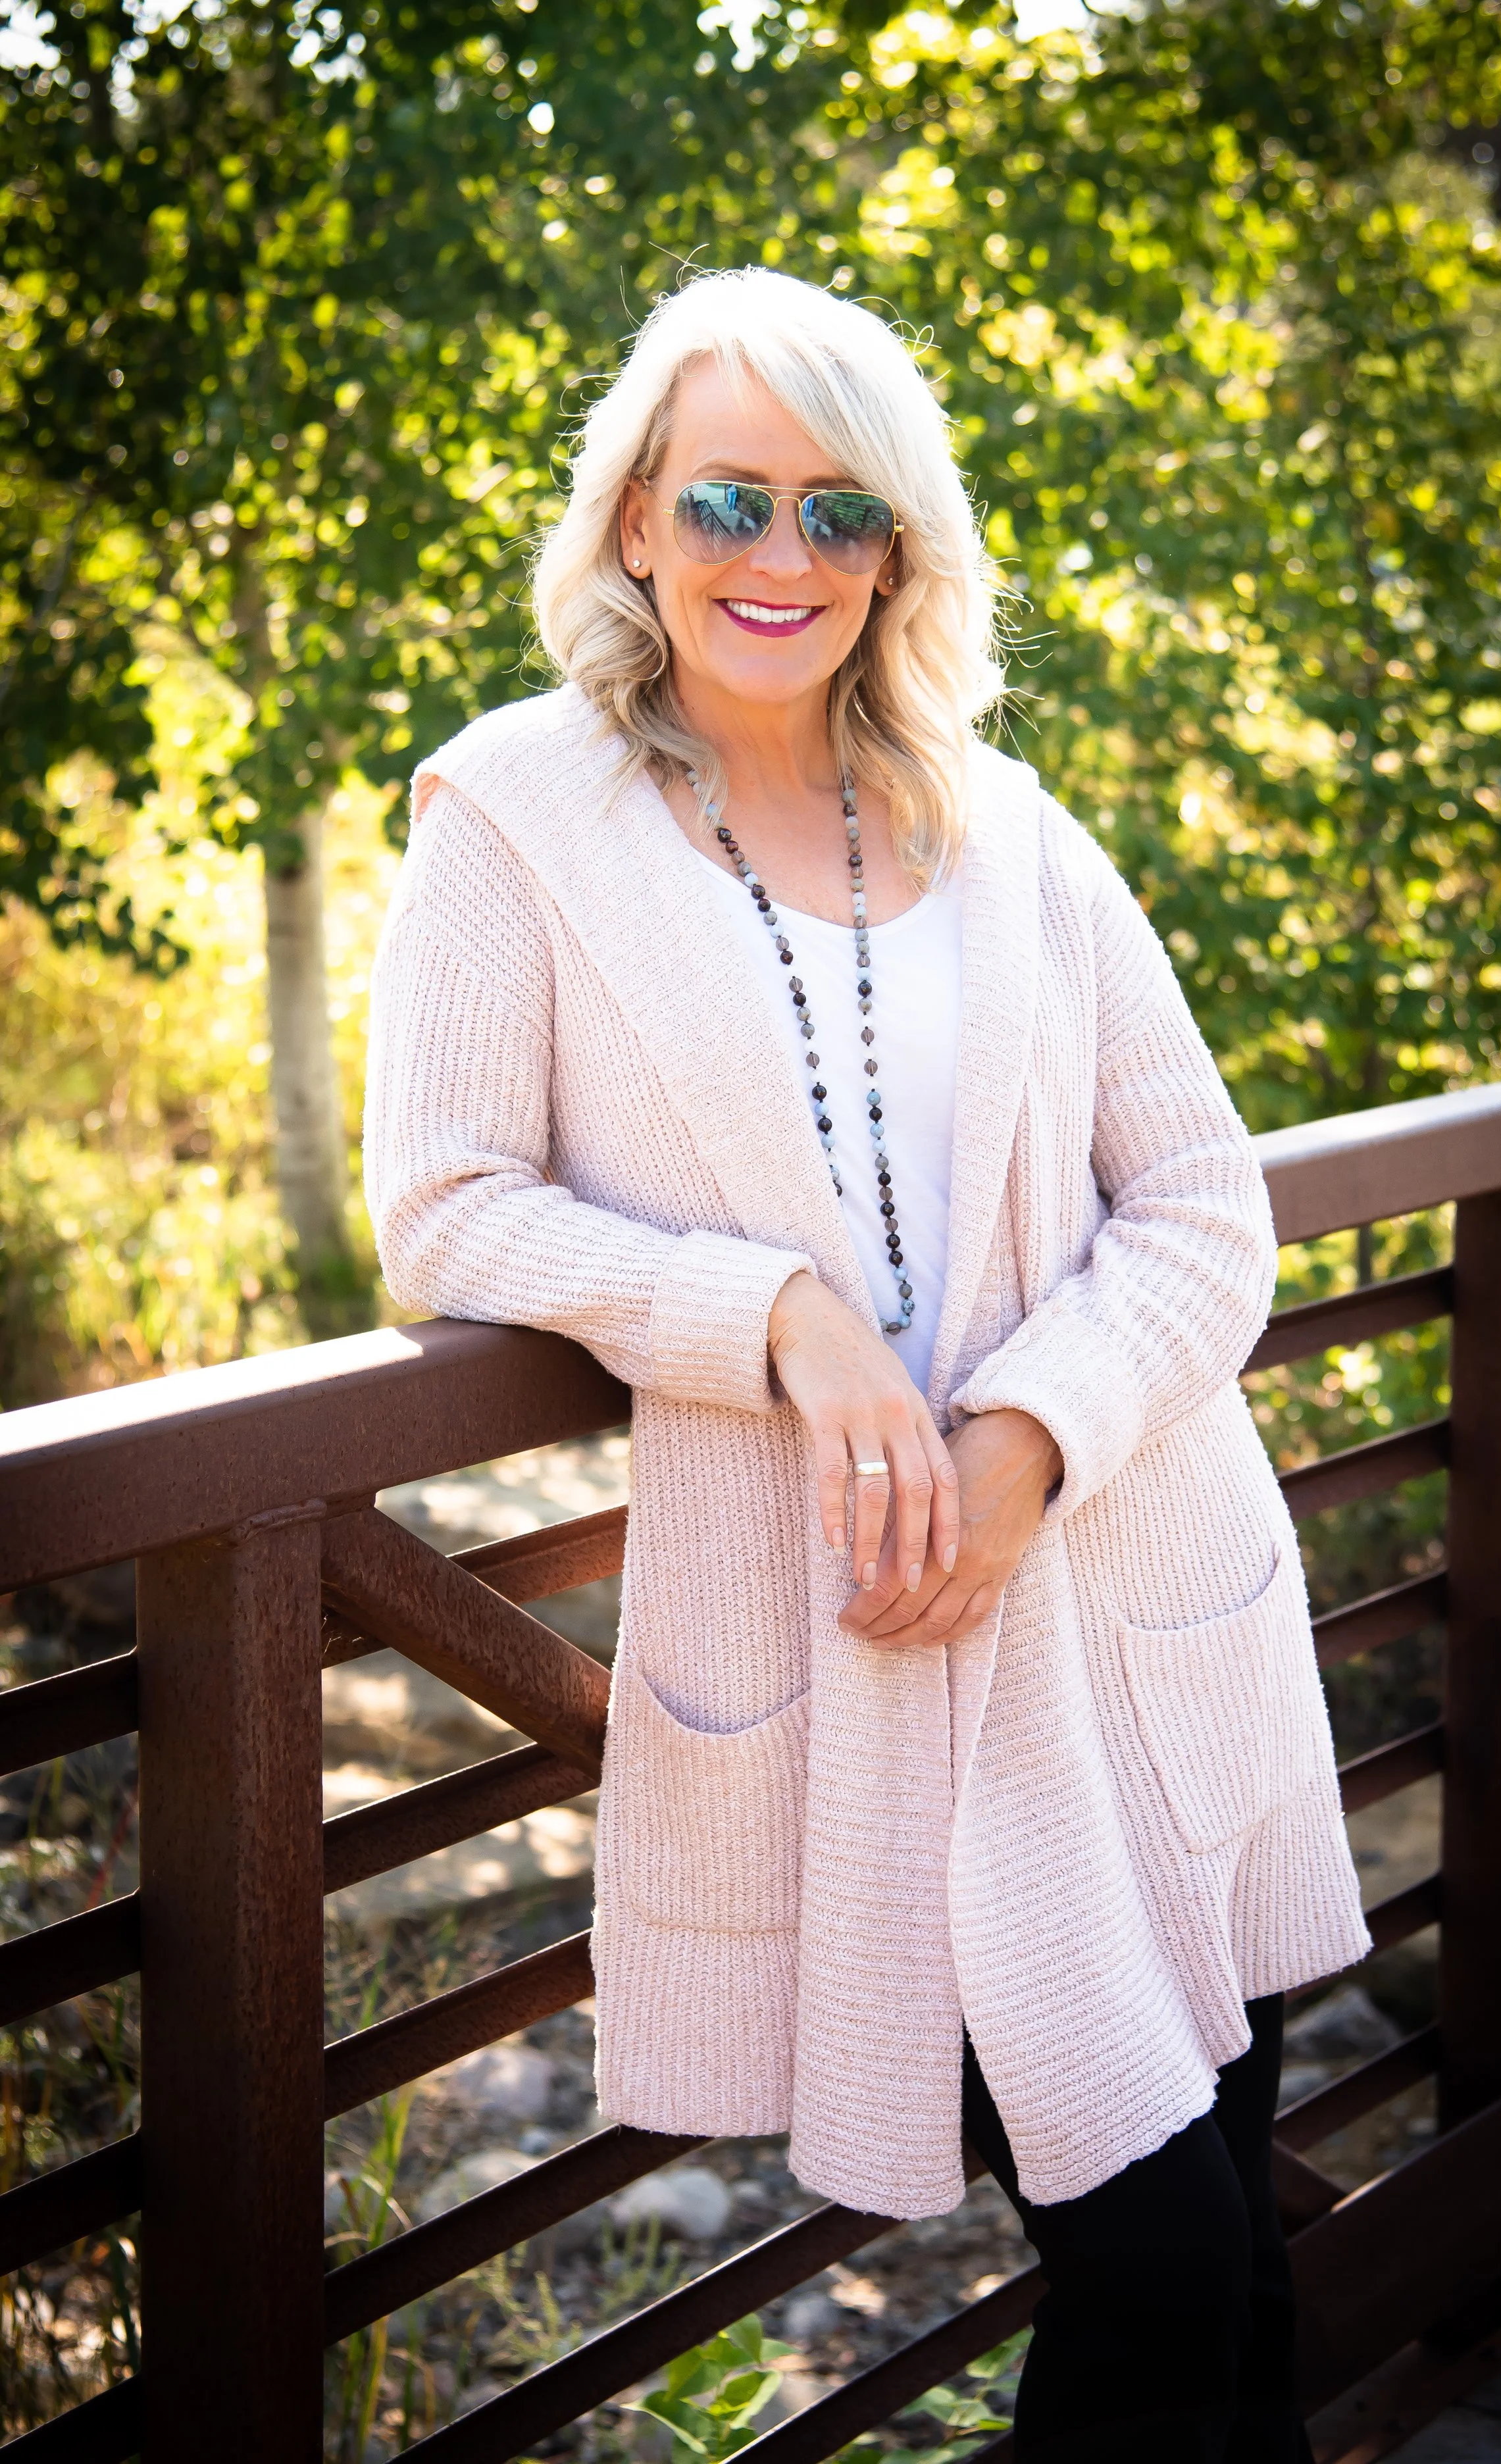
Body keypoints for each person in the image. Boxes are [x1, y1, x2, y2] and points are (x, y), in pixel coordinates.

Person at [364, 266, 1370, 2461]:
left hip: (1142, 1623)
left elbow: (1206, 1209)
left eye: (843, 514)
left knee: (1240, 2298)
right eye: (727, 496)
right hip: (885, 1681)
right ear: (634, 521)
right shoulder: (513, 819)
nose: (778, 558)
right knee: (1167, 2273)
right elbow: (442, 1204)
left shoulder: (1005, 826)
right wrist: (778, 1321)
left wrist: (1025, 1437)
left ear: (900, 551)